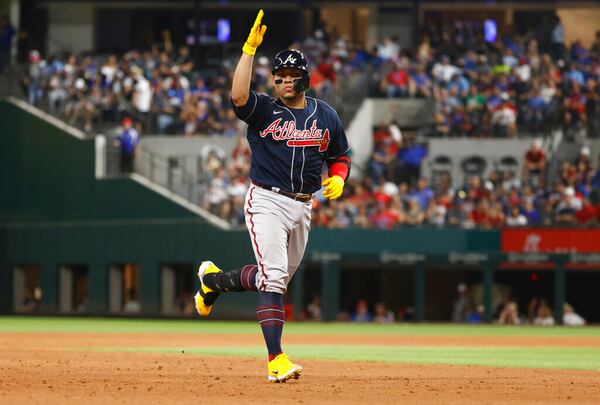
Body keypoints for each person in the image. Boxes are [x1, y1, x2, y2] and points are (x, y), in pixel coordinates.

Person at [193, 10, 350, 383]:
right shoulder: (265, 110)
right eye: (279, 77)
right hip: (266, 200)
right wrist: (249, 49)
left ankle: (212, 282)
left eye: (292, 77)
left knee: (270, 279)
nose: (285, 82)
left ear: (305, 79)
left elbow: (340, 156)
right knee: (274, 279)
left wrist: (340, 178)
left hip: (303, 205)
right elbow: (238, 95)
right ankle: (275, 359)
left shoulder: (324, 115)